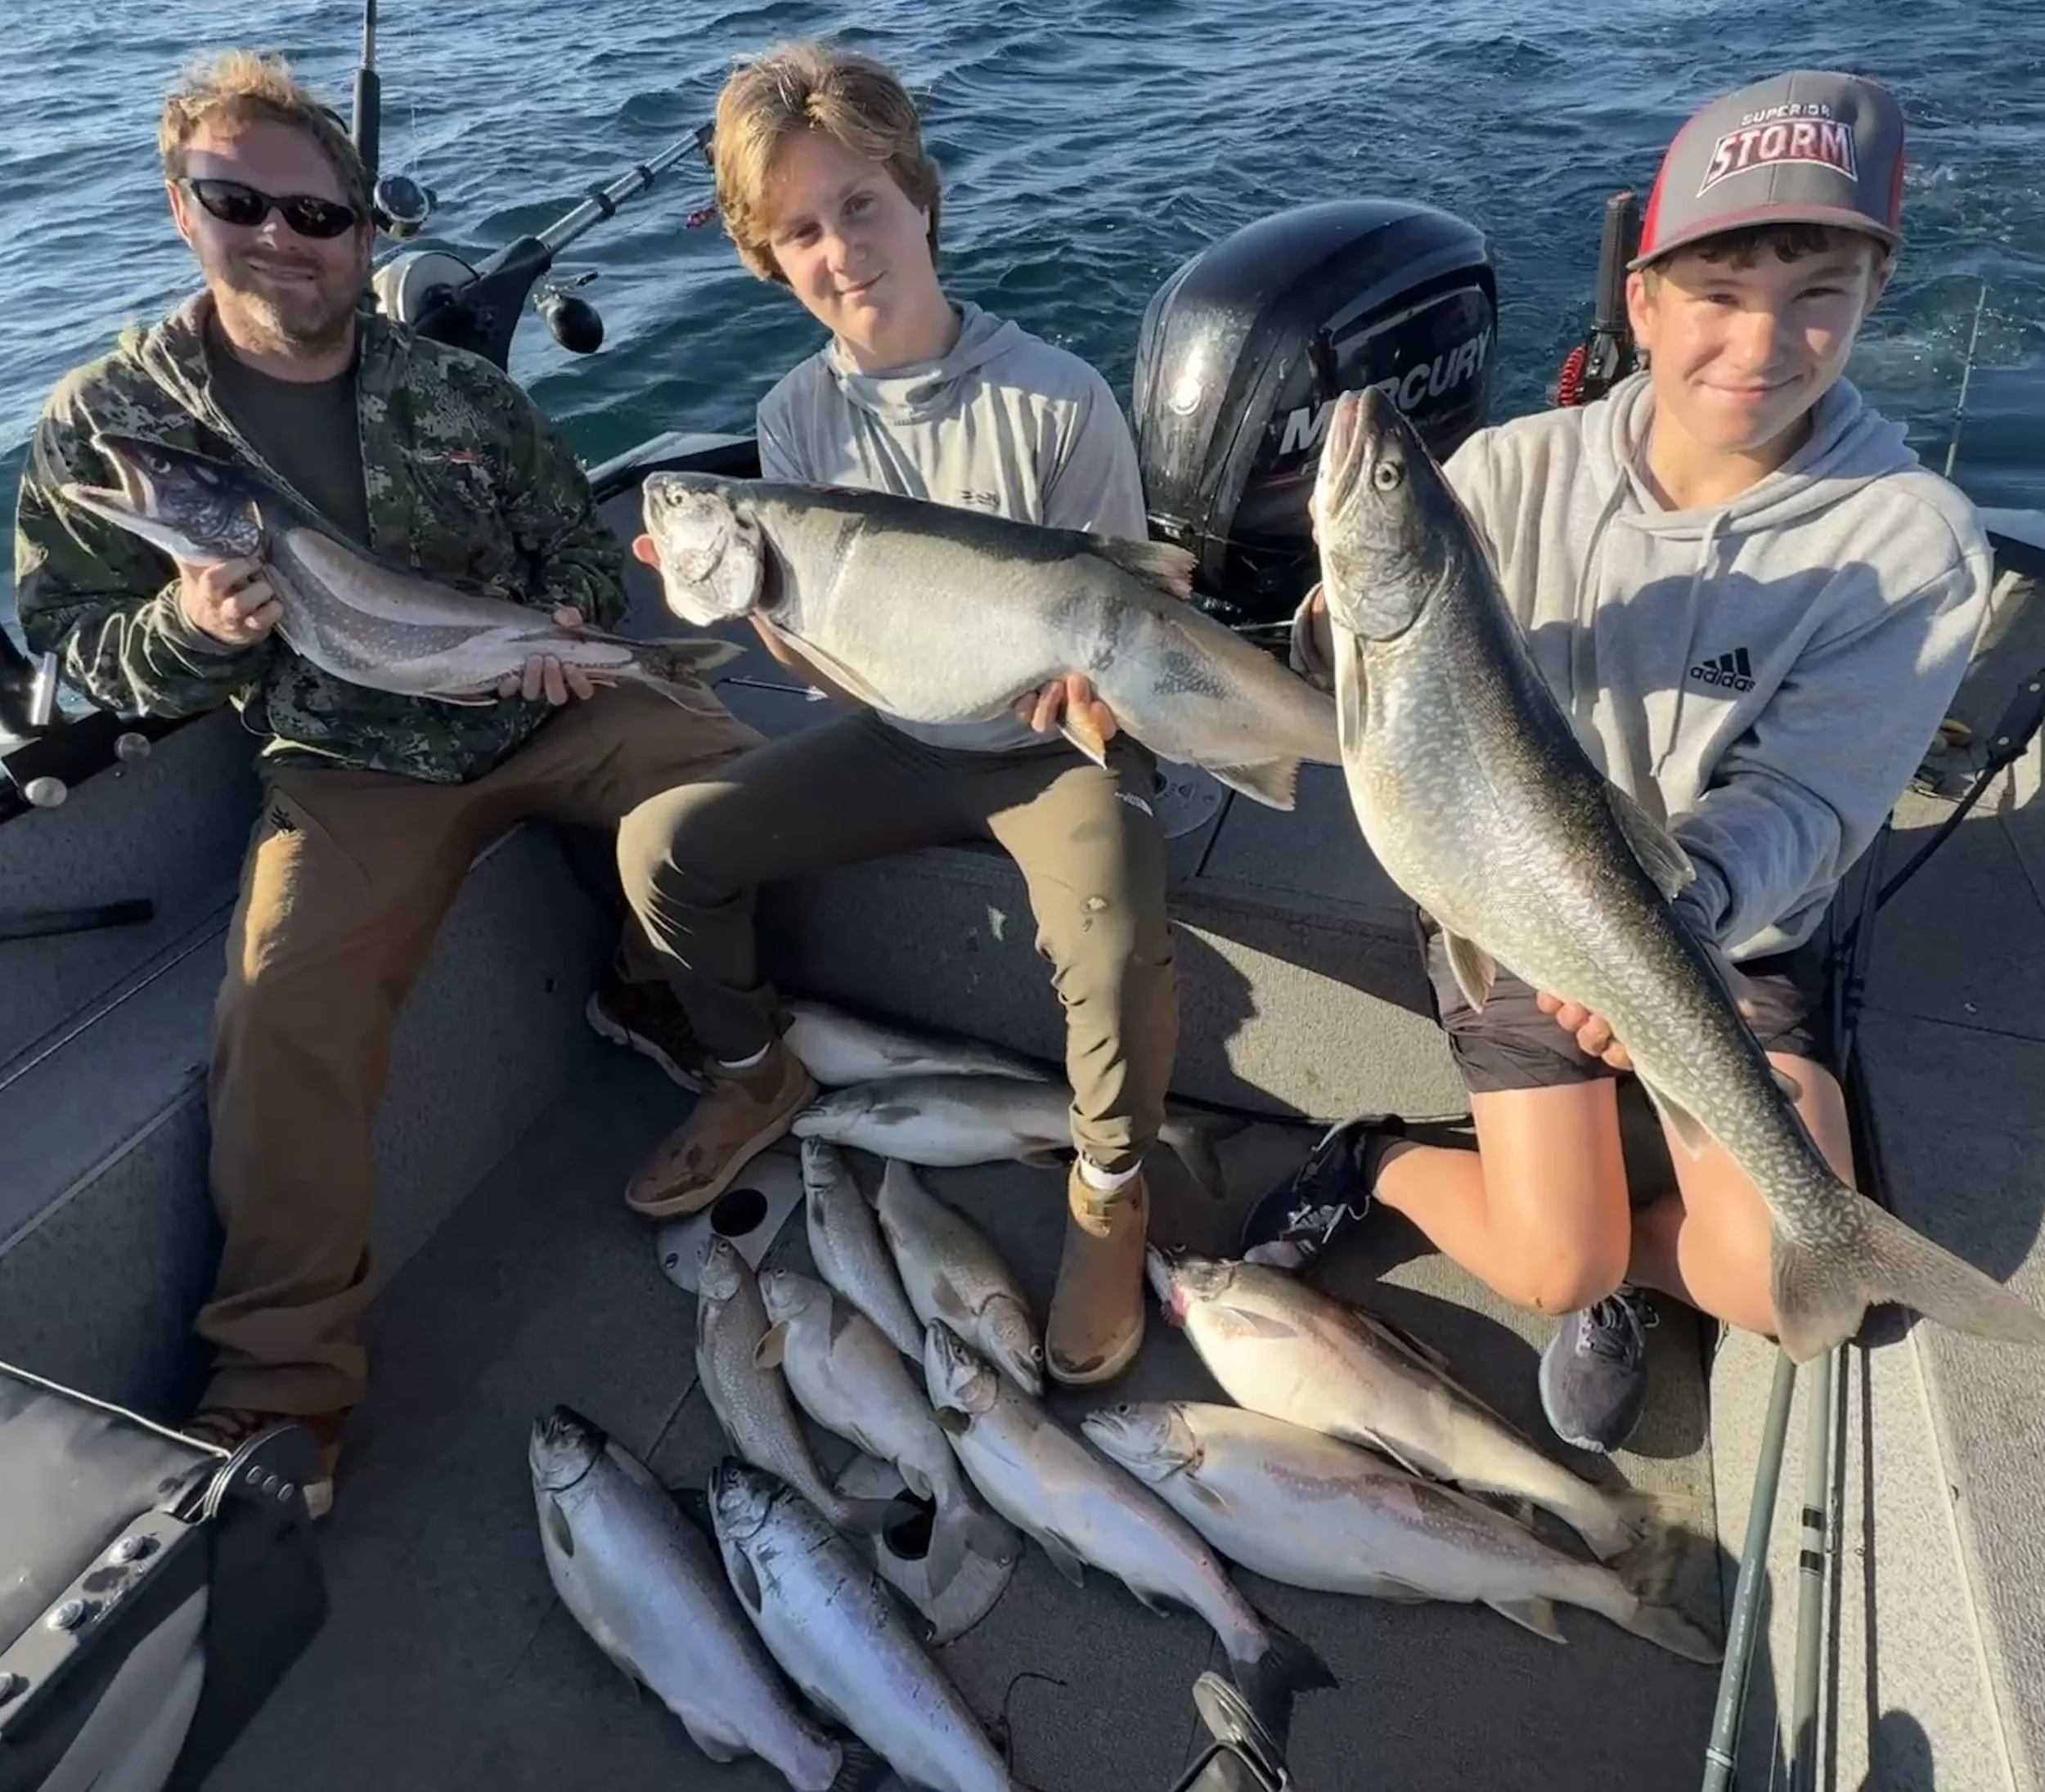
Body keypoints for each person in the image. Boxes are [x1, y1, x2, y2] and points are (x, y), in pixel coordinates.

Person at [12, 50, 762, 1517]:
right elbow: (72, 650)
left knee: (750, 791)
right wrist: (187, 626)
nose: (282, 240)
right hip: (351, 766)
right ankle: (282, 1403)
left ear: (368, 233)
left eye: (320, 217)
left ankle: (652, 979)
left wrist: (567, 646)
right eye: (240, 203)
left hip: (531, 715)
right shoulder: (116, 420)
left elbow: (575, 562)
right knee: (281, 1009)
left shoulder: (457, 385)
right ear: (184, 209)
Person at [1243, 70, 1993, 1453]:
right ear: (1641, 301)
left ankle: (1655, 1250)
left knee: (1794, 1286)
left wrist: (1671, 930)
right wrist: (1317, 612)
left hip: (1731, 930)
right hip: (1505, 896)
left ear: (1873, 296)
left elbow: (1807, 804)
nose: (1762, 341)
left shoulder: (1914, 541)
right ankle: (1389, 1160)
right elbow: (1358, 671)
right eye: (1716, 291)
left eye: (1815, 292)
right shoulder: (1510, 470)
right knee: (1553, 1266)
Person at [615, 40, 1178, 1388]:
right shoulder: (789, 422)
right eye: (799, 230)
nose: (841, 250)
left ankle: (1111, 1185)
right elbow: (837, 668)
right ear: (768, 257)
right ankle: (758, 1073)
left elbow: (1127, 624)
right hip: (900, 734)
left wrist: (1089, 701)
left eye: (859, 204)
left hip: (1056, 741)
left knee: (1109, 939)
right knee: (662, 848)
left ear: (920, 196)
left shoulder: (1058, 396)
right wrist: (769, 624)